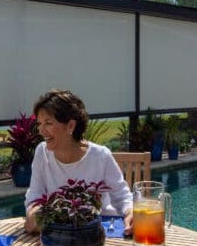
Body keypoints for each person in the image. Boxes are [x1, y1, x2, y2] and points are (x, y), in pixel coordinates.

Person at [23, 89, 133, 234]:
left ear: (70, 126)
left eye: (48, 123)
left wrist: (131, 212)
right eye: (39, 123)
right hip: (57, 236)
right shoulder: (41, 152)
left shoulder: (100, 156)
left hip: (100, 233)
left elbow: (122, 196)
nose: (41, 130)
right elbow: (35, 195)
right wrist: (34, 213)